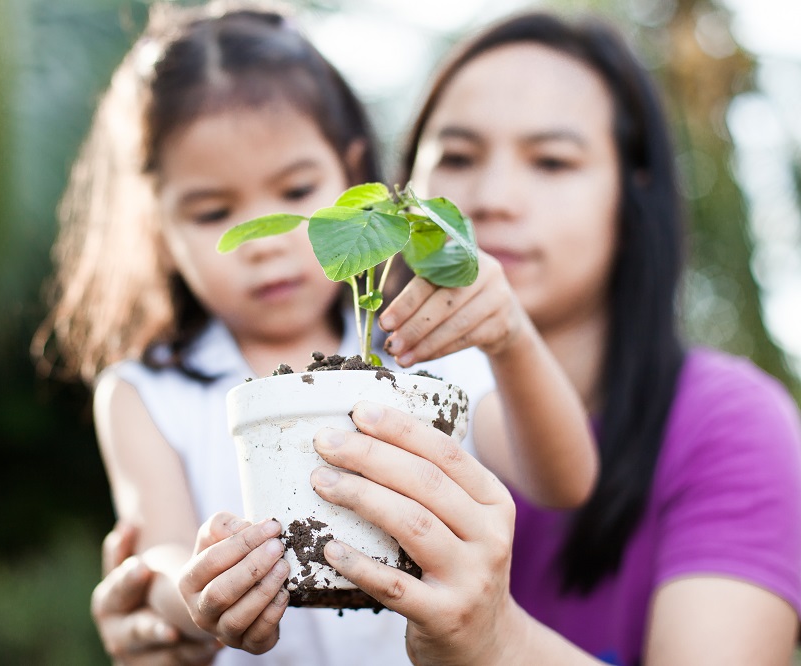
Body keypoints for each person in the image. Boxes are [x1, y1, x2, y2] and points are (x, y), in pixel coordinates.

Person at [182, 10, 801, 665]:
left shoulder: (725, 427)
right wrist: (172, 623)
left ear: (632, 187)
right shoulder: (356, 402)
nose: (493, 197)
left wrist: (495, 639)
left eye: (553, 161)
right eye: (456, 156)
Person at [36, 3, 598, 664]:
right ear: (157, 224)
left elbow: (566, 480)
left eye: (298, 189)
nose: (264, 242)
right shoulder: (146, 390)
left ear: (351, 175)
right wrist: (193, 594)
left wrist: (511, 339)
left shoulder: (420, 346)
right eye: (214, 210)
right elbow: (156, 552)